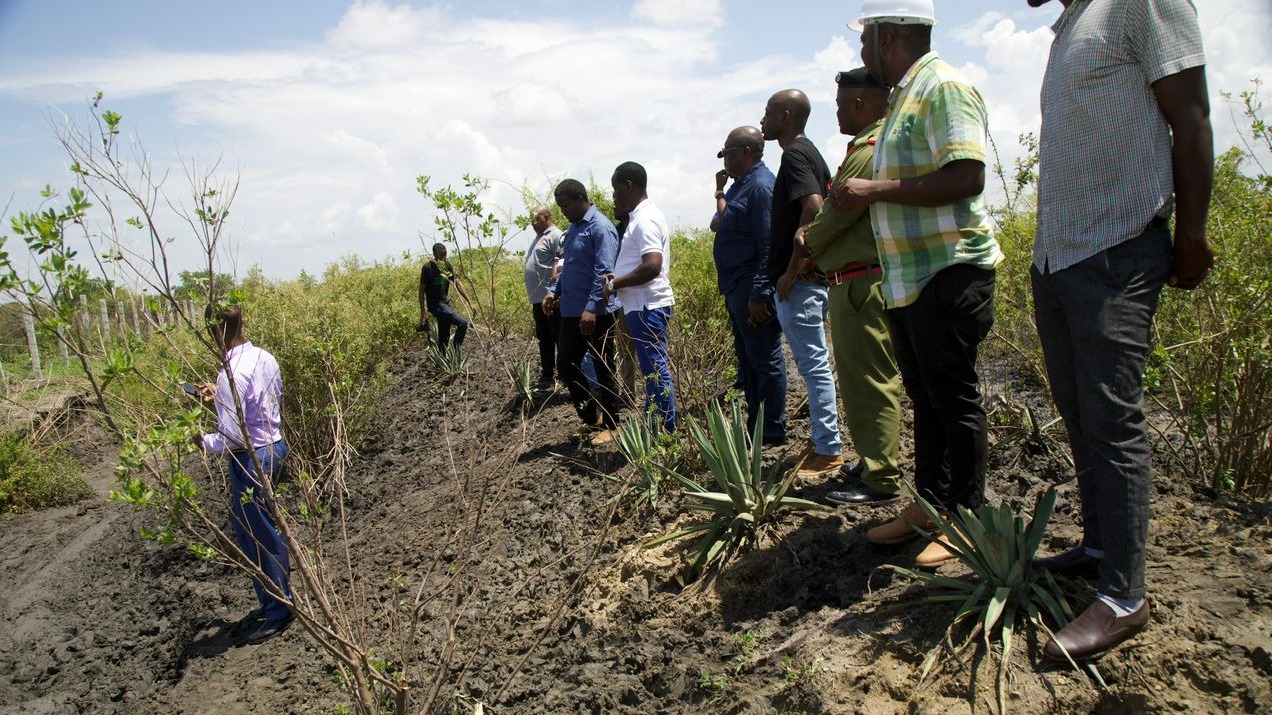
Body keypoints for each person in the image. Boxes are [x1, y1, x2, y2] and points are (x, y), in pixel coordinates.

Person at [1027, 0, 1214, 661]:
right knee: (1081, 414)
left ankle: (1125, 596)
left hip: (1115, 248)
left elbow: (1190, 116)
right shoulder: (1076, 21)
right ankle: (1100, 547)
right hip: (1060, 256)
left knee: (1112, 418)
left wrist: (1191, 233)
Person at [839, 0, 1004, 567]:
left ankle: (967, 520)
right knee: (927, 401)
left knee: (954, 401)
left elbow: (967, 175)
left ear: (887, 36)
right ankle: (930, 505)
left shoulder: (944, 89)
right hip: (910, 280)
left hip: (948, 272)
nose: (861, 52)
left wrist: (875, 191)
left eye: (865, 40)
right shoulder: (905, 96)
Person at [803, 67, 904, 506]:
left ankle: (881, 478)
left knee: (870, 382)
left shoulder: (869, 148)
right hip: (853, 281)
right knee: (858, 380)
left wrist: (807, 243)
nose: (839, 113)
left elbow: (834, 216)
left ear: (860, 104)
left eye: (842, 105)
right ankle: (871, 460)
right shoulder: (869, 144)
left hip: (863, 282)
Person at [196, 305, 293, 645]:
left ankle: (279, 609)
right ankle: (274, 601)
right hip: (275, 448)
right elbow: (258, 407)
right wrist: (220, 401)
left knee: (258, 537)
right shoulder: (264, 357)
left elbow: (234, 437)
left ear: (216, 328)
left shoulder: (230, 374)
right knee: (264, 528)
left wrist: (199, 440)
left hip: (250, 460)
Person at [761, 89, 845, 478]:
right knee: (816, 365)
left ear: (787, 116)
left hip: (800, 284)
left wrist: (792, 269)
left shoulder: (795, 154)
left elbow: (812, 206)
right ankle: (822, 441)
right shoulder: (808, 152)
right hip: (806, 281)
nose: (763, 120)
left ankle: (828, 448)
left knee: (813, 366)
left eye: (768, 113)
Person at [710, 126, 787, 445]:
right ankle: (757, 424)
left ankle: (772, 429)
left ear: (744, 152)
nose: (723, 158)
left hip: (750, 289)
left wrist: (759, 293)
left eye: (726, 152)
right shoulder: (741, 187)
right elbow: (719, 223)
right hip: (736, 286)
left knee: (765, 359)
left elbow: (768, 244)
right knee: (749, 362)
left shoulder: (760, 187)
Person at [543, 179, 623, 444]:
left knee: (603, 366)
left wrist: (592, 307)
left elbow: (604, 271)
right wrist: (554, 291)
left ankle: (613, 424)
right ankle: (592, 418)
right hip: (570, 311)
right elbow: (566, 269)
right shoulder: (573, 229)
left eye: (565, 205)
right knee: (565, 365)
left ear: (580, 198)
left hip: (596, 312)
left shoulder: (600, 227)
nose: (562, 211)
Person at [605, 161, 677, 433]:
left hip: (647, 306)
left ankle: (664, 432)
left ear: (628, 185)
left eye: (615, 190)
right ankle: (655, 425)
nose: (614, 196)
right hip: (642, 305)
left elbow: (652, 265)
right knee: (652, 370)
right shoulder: (640, 217)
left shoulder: (645, 219)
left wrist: (615, 285)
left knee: (655, 370)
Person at [526, 206, 563, 389]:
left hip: (551, 299)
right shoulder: (538, 237)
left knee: (558, 336)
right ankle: (547, 374)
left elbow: (562, 264)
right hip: (538, 299)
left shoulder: (556, 235)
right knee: (544, 336)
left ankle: (565, 374)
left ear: (547, 217)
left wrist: (557, 293)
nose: (532, 223)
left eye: (536, 219)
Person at [418, 243, 473, 356]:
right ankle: (455, 354)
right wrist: (423, 312)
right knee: (462, 323)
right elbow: (421, 290)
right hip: (435, 306)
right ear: (435, 254)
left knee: (444, 334)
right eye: (441, 254)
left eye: (445, 254)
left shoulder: (447, 265)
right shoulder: (427, 268)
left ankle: (442, 360)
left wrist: (470, 302)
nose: (444, 257)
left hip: (445, 304)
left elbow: (457, 282)